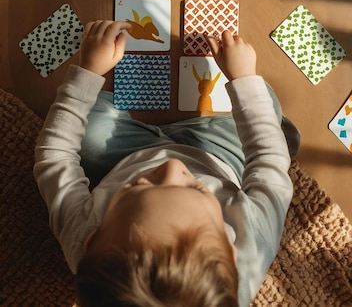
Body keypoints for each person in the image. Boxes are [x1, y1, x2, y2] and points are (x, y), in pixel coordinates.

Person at [34, 20, 300, 307]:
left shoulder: (92, 251)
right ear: (232, 253)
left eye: (138, 188)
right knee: (267, 109)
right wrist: (244, 76)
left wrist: (87, 71)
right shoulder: (254, 245)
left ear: (93, 239)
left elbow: (55, 157)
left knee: (86, 129)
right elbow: (268, 162)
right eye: (197, 190)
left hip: (125, 156)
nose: (172, 167)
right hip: (219, 154)